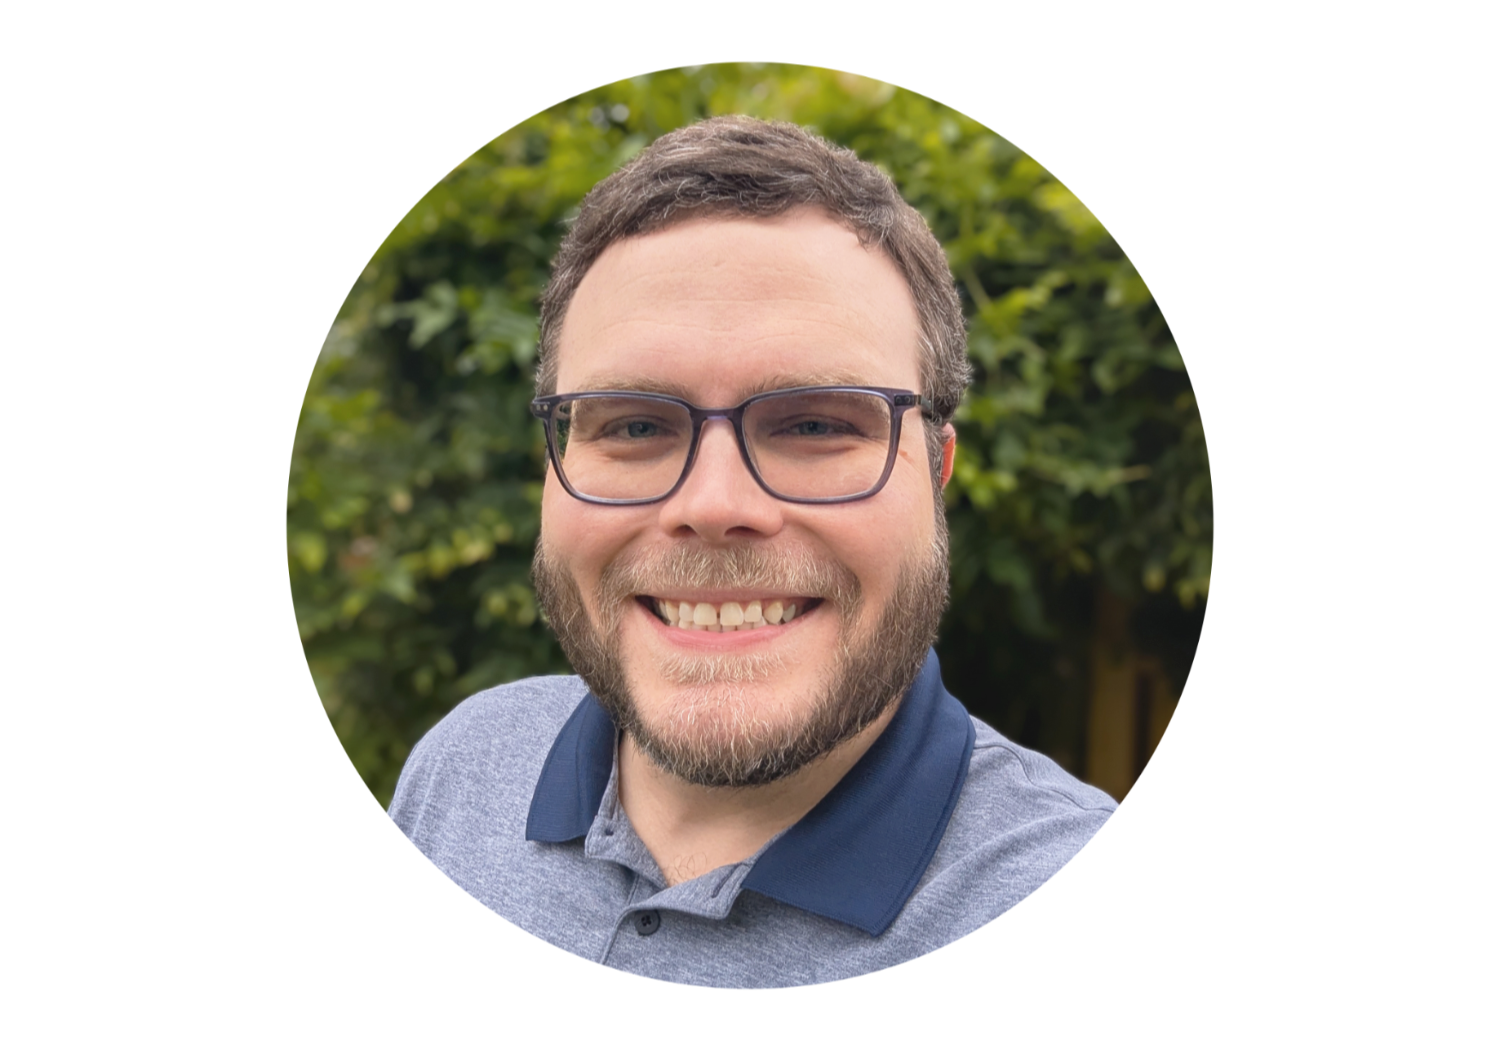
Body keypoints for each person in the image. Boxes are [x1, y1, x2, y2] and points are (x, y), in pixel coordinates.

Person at [387, 115, 1117, 986]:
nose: (714, 505)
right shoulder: (465, 766)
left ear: (937, 470)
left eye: (815, 424)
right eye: (634, 425)